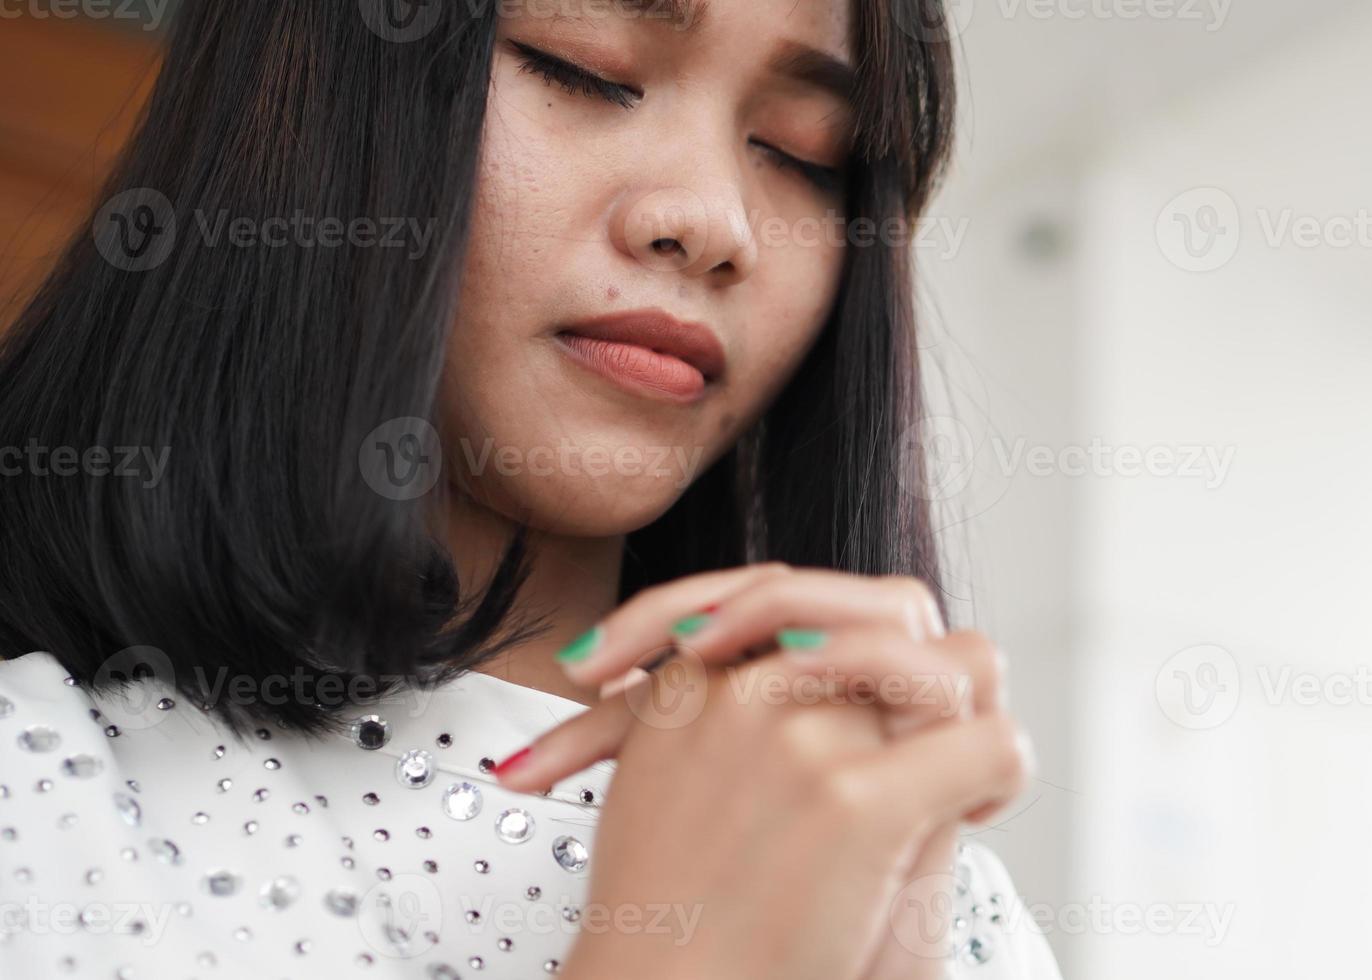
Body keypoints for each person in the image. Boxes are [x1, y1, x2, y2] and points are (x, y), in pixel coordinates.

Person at [0, 0, 1063, 977]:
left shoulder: (952, 913)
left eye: (800, 154)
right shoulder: (40, 797)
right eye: (583, 69)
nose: (712, 221)